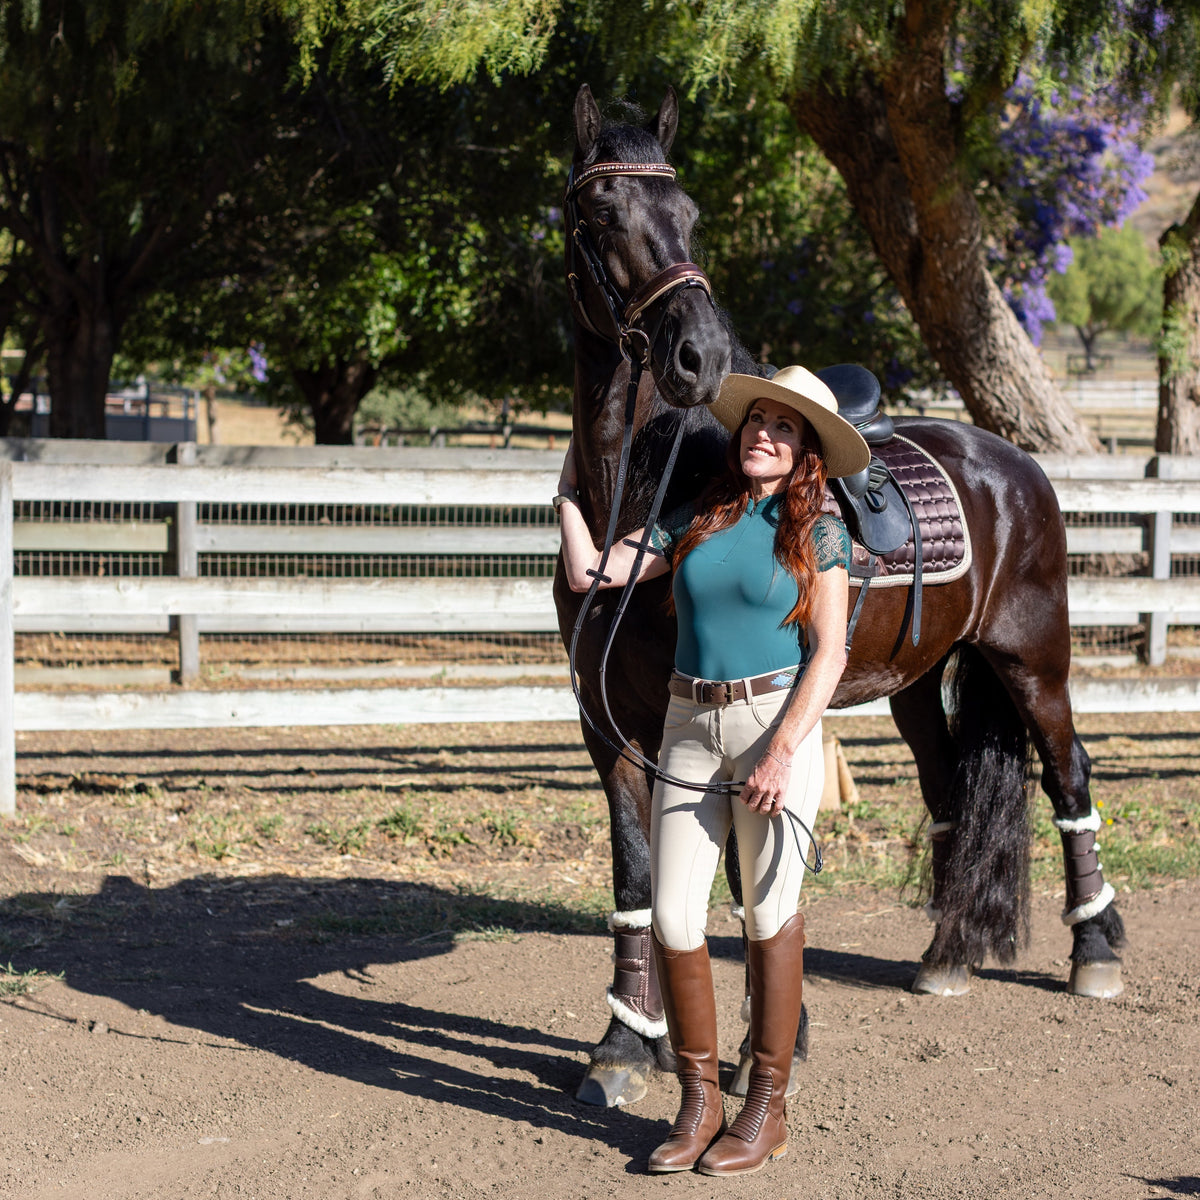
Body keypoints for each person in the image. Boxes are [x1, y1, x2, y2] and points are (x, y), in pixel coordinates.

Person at [555, 364, 870, 1177]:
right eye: (757, 418)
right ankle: (699, 1105)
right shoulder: (700, 514)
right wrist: (566, 498)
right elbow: (595, 573)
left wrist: (782, 749)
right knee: (673, 917)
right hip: (689, 723)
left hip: (775, 725)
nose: (763, 431)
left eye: (785, 426)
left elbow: (830, 653)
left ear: (807, 452)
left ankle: (765, 1108)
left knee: (766, 916)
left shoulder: (821, 532)